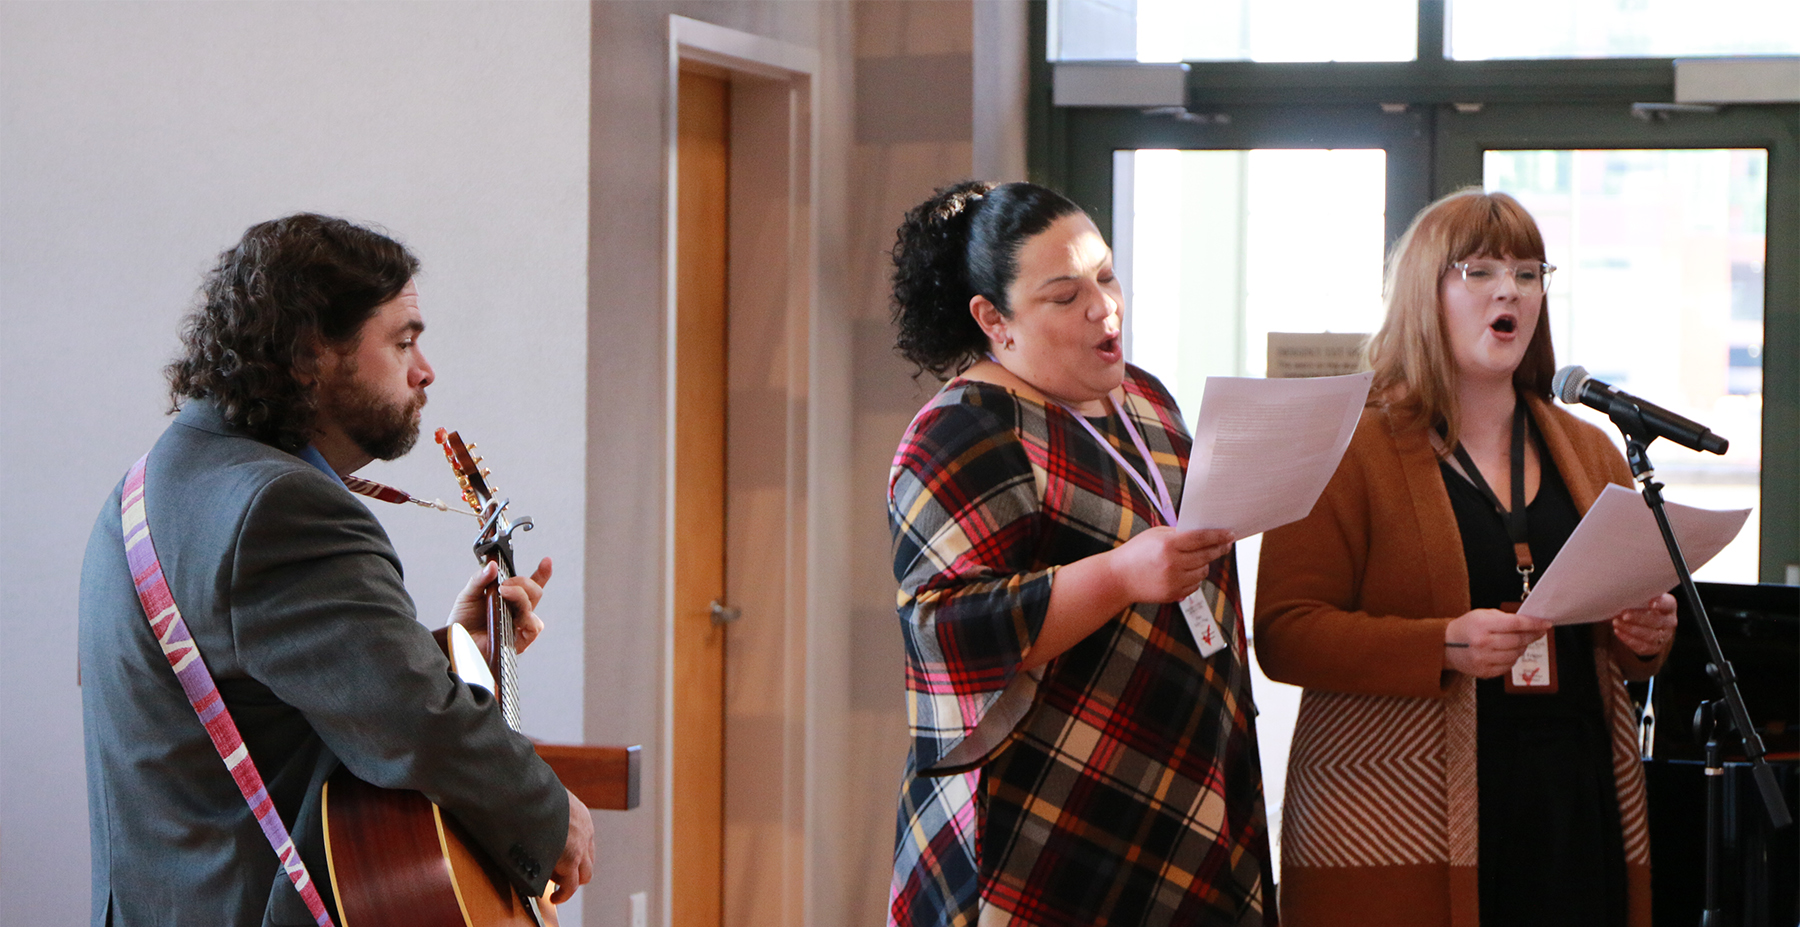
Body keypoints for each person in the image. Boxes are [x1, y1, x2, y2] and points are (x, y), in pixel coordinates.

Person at [78, 214, 595, 926]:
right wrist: (548, 814)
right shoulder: (283, 506)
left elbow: (275, 690)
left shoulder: (152, 484)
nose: (426, 370)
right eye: (404, 340)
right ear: (309, 352)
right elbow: (417, 726)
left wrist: (450, 649)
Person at [1254, 188, 1677, 927]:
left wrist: (1643, 638)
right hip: (1403, 807)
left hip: (1572, 797)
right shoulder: (1344, 446)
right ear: (1426, 291)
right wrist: (1442, 643)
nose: (1508, 290)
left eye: (1528, 271)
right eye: (1478, 271)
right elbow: (1287, 631)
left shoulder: (1591, 449)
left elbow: (1618, 639)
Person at [885, 181, 1277, 927]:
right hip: (1044, 815)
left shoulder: (1148, 402)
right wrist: (1121, 574)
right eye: (1065, 296)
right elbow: (942, 628)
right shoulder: (964, 427)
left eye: (1106, 275)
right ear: (993, 319)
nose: (1104, 308)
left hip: (1184, 786)